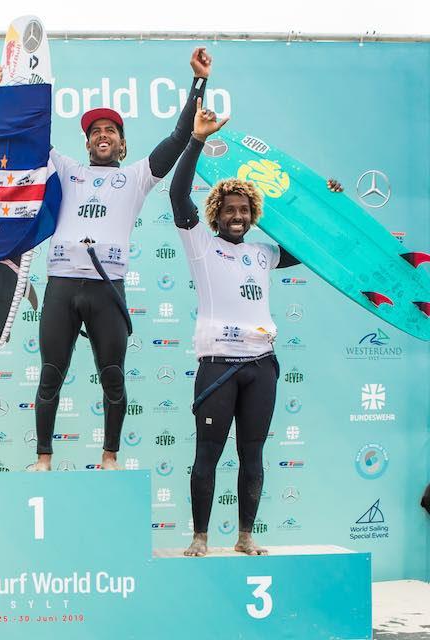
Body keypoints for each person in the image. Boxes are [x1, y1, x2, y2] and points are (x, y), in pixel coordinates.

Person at [0, 48, 213, 471]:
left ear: (122, 142)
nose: (102, 135)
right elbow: (29, 136)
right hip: (61, 284)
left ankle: (109, 456)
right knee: (50, 375)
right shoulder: (67, 170)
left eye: (110, 130)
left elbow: (176, 139)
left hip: (106, 287)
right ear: (88, 142)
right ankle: (43, 459)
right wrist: (6, 91)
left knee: (112, 375)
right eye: (95, 131)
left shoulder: (136, 177)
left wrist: (199, 82)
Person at [170, 100, 342, 556]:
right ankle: (200, 537)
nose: (238, 217)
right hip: (218, 366)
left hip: (261, 366)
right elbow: (176, 193)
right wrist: (198, 139)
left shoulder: (263, 254)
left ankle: (246, 536)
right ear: (216, 212)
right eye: (230, 209)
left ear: (253, 214)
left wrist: (327, 201)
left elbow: (310, 247)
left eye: (245, 210)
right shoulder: (201, 245)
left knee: (253, 454)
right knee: (207, 454)